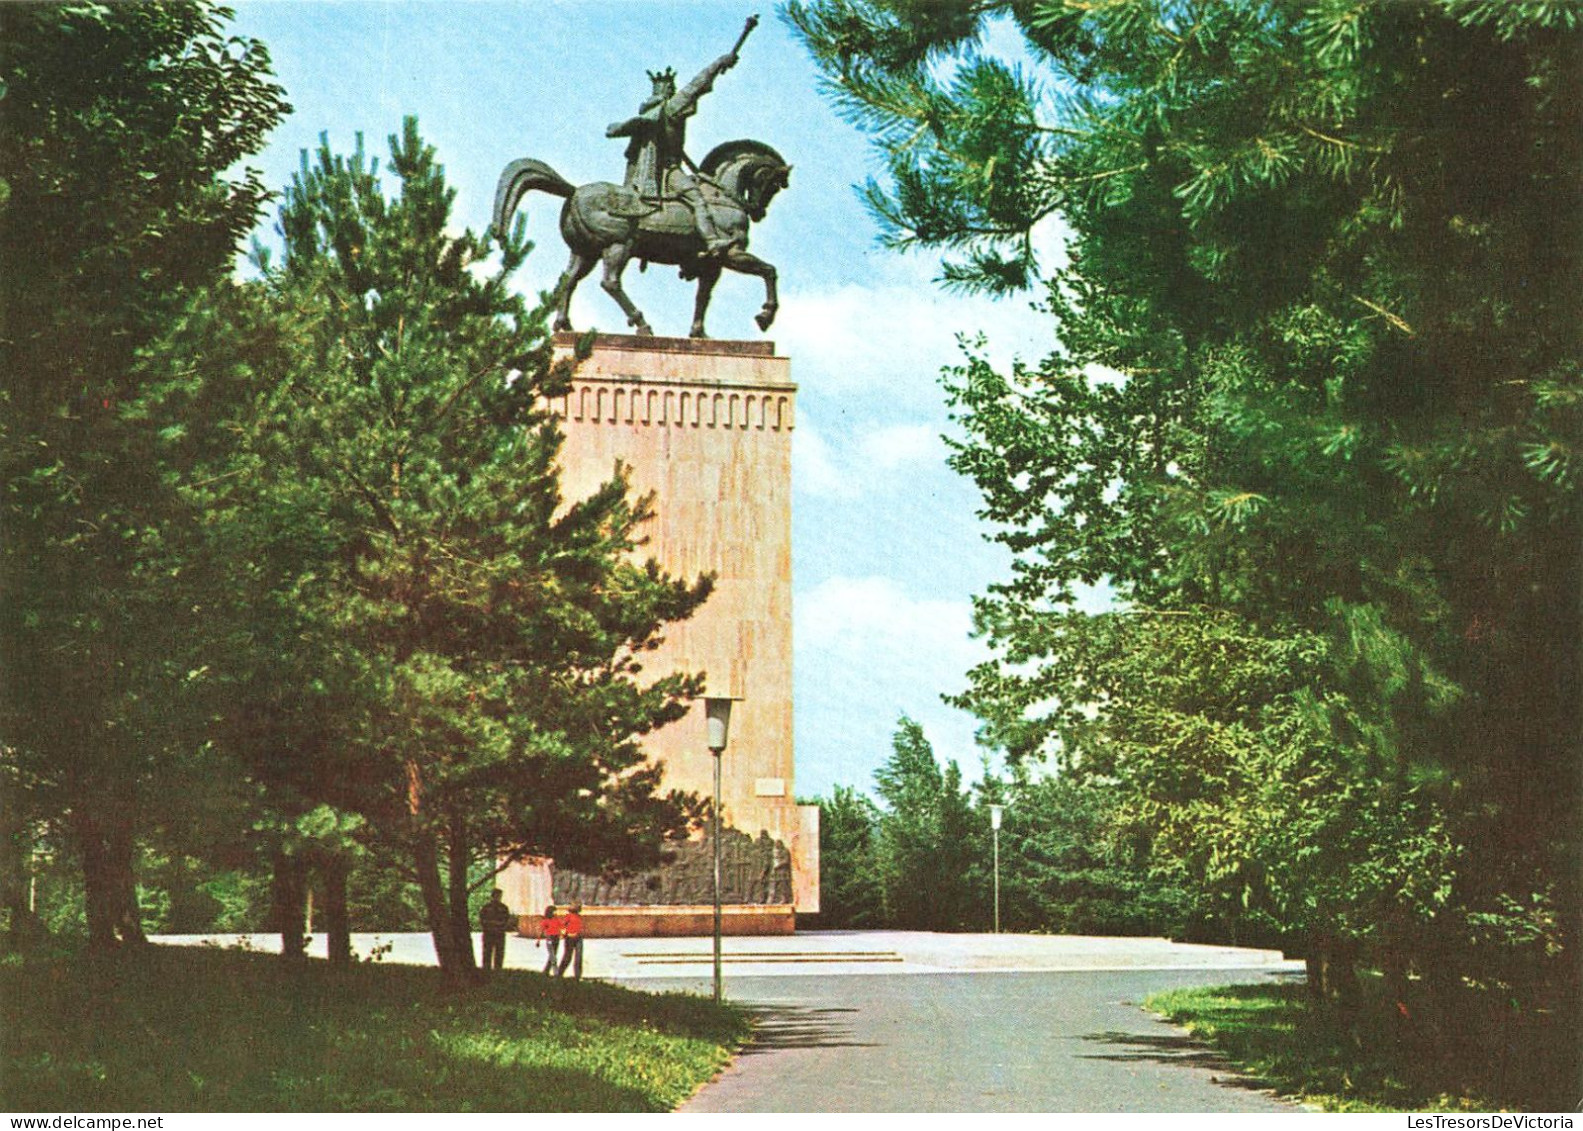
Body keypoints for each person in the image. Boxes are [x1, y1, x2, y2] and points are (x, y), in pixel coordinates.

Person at [605, 16, 757, 255]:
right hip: (668, 172)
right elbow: (697, 85)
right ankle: (712, 241)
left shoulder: (651, 114)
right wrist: (719, 63)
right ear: (669, 93)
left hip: (653, 171)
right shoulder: (671, 109)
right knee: (698, 199)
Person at [478, 888, 515, 972]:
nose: (498, 897)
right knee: (487, 953)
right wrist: (490, 926)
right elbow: (482, 920)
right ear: (493, 896)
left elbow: (506, 920)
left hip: (499, 934)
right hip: (489, 934)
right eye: (497, 896)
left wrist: (502, 926)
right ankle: (486, 971)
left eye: (499, 896)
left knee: (499, 954)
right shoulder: (486, 908)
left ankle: (498, 971)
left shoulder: (504, 908)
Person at [556, 902, 585, 980]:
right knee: (567, 957)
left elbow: (580, 927)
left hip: (578, 938)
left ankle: (577, 975)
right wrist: (564, 933)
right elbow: (563, 926)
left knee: (578, 957)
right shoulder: (568, 917)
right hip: (570, 938)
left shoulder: (579, 917)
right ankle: (559, 973)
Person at [537, 903, 562, 976]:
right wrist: (538, 941)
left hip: (556, 938)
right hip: (550, 938)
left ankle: (547, 971)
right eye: (554, 911)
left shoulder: (556, 919)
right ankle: (554, 972)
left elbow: (560, 926)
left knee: (554, 955)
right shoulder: (546, 921)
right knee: (552, 955)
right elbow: (542, 931)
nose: (556, 912)